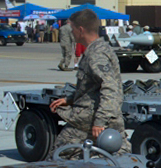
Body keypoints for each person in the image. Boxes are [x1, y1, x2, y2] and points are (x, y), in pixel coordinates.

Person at [48, 9, 131, 159]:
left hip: (88, 123)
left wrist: (99, 122)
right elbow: (92, 88)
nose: (71, 33)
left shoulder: (96, 54)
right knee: (112, 162)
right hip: (100, 120)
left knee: (58, 159)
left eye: (72, 29)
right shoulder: (98, 49)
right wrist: (70, 99)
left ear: (80, 30)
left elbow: (110, 88)